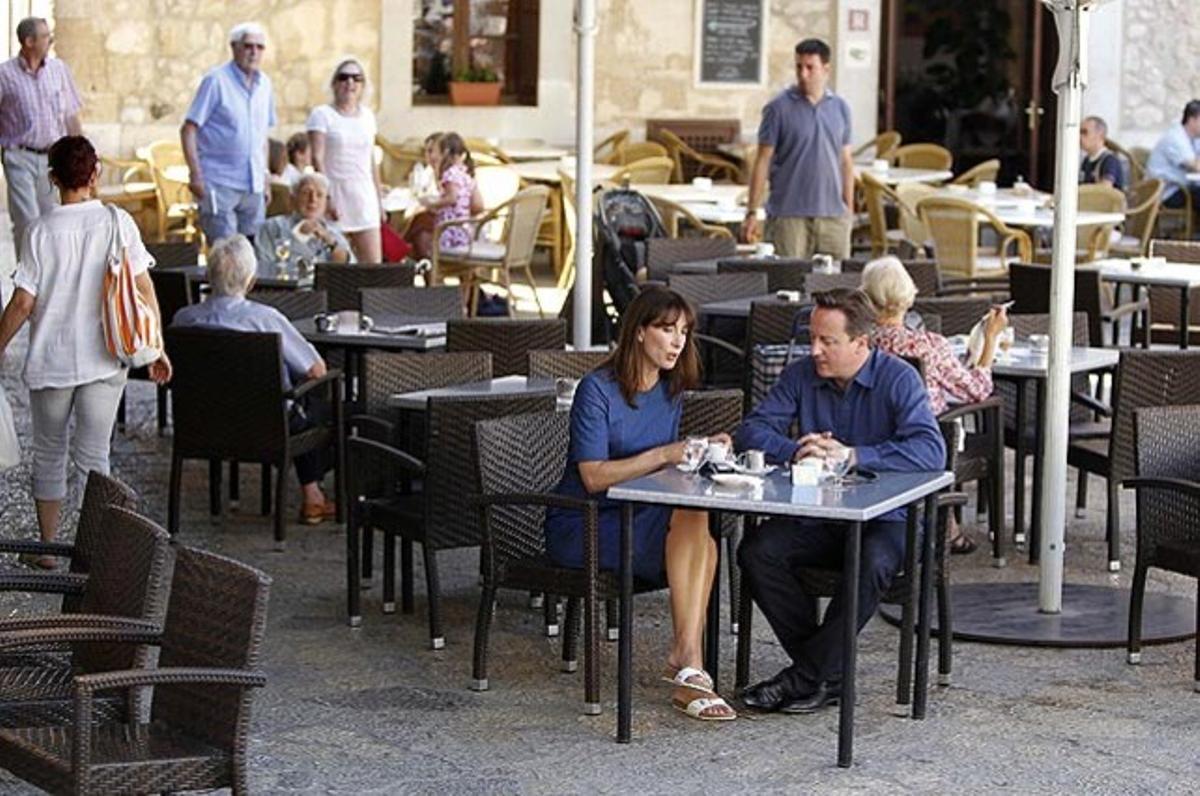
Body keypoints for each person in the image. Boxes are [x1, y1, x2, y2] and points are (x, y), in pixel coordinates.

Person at [735, 288, 945, 714]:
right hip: (821, 514)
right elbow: (751, 430)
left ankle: (805, 677)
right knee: (757, 552)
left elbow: (931, 450)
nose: (814, 350)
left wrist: (854, 455)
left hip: (890, 519)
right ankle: (823, 674)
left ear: (861, 343)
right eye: (812, 338)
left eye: (827, 341)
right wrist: (795, 449)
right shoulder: (800, 375)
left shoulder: (898, 379)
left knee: (871, 561)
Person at [544, 287, 737, 722]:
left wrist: (701, 449)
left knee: (697, 519)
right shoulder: (596, 389)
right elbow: (593, 476)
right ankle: (688, 663)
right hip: (587, 524)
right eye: (667, 330)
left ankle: (688, 661)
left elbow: (662, 467)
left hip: (640, 514)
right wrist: (667, 453)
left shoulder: (670, 390)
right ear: (637, 332)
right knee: (697, 539)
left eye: (684, 332)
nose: (677, 342)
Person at [0, 135, 170, 569]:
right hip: (104, 357)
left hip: (52, 359)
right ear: (95, 174)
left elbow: (23, 302)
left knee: (50, 451)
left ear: (52, 178)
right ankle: (94, 548)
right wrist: (155, 348)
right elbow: (143, 288)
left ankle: (48, 547)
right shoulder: (118, 222)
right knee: (96, 455)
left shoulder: (39, 231)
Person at [172, 235, 337, 524]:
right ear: (251, 280)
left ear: (210, 276)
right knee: (324, 406)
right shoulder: (265, 319)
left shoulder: (184, 319)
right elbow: (316, 371)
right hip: (266, 423)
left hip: (202, 423)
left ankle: (312, 496)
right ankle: (313, 496)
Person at [861, 256, 1006, 554]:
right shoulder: (927, 345)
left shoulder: (859, 344)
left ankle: (948, 527)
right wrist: (990, 338)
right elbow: (977, 390)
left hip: (869, 435)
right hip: (925, 441)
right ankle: (949, 527)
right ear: (907, 294)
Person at [741, 38, 854, 260]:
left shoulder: (841, 109)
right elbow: (762, 160)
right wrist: (752, 212)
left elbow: (846, 161)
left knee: (837, 287)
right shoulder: (778, 108)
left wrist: (848, 208)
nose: (803, 74)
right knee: (789, 284)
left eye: (810, 67)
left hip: (833, 217)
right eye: (799, 67)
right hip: (788, 217)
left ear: (826, 69)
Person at [181, 21, 277, 244]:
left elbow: (263, 136)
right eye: (248, 46)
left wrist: (266, 177)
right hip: (219, 182)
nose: (254, 52)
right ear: (234, 47)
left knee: (253, 252)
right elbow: (188, 130)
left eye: (259, 47)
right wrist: (195, 174)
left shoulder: (265, 85)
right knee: (225, 253)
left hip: (253, 183)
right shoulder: (216, 81)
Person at [0, 17, 83, 260]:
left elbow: (71, 116)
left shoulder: (59, 70)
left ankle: (51, 276)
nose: (51, 40)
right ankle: (28, 280)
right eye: (46, 36)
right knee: (26, 220)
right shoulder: (4, 75)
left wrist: (82, 152)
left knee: (53, 219)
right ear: (29, 41)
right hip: (19, 155)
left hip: (52, 157)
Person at [307, 57, 383, 263]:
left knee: (373, 265)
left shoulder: (368, 117)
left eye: (356, 78)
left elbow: (371, 160)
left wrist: (379, 200)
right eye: (344, 77)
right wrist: (327, 197)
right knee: (336, 263)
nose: (350, 83)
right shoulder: (322, 115)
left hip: (363, 196)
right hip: (335, 193)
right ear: (334, 83)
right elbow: (317, 158)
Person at [253, 172, 354, 269]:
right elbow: (262, 266)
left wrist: (329, 241)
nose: (313, 199)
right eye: (306, 193)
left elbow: (349, 269)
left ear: (326, 203)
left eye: (319, 195)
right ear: (292, 199)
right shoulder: (273, 227)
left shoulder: (333, 233)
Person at [1146, 99, 1200, 209]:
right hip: (1166, 192)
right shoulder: (1176, 138)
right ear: (1192, 120)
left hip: (1182, 186)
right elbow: (1195, 166)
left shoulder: (1194, 138)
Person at [1079, 116, 1124, 191]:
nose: (1079, 137)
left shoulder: (1110, 160)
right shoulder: (1086, 160)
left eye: (1084, 132)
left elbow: (1104, 191)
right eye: (1080, 132)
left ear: (1099, 135)